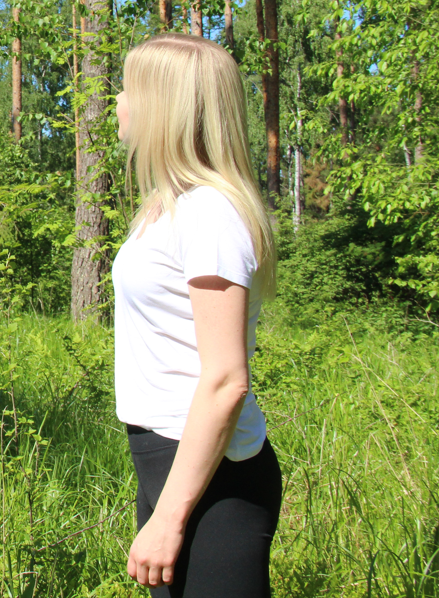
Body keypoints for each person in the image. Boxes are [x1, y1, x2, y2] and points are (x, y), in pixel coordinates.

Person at [112, 33, 282, 597]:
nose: (119, 101)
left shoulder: (209, 214)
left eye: (129, 88)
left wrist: (169, 518)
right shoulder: (170, 207)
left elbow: (227, 378)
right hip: (171, 460)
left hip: (211, 478)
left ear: (166, 107)